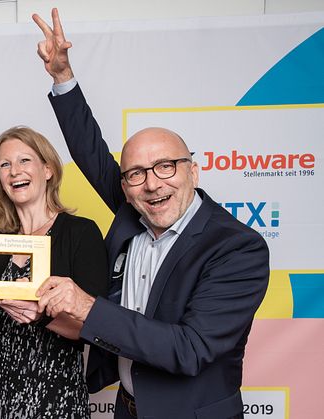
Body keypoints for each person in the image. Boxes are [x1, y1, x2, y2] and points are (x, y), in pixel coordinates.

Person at [32, 9, 270, 419]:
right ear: (125, 185)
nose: (153, 183)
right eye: (137, 173)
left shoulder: (238, 249)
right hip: (127, 409)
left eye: (167, 167)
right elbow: (91, 151)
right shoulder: (134, 209)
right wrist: (62, 77)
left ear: (193, 171)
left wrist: (87, 308)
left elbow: (189, 349)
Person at [0, 126, 109, 418]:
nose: (14, 171)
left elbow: (94, 327)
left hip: (57, 395)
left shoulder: (80, 233)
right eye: (5, 165)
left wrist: (41, 316)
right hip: (2, 395)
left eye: (24, 160)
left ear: (48, 169)